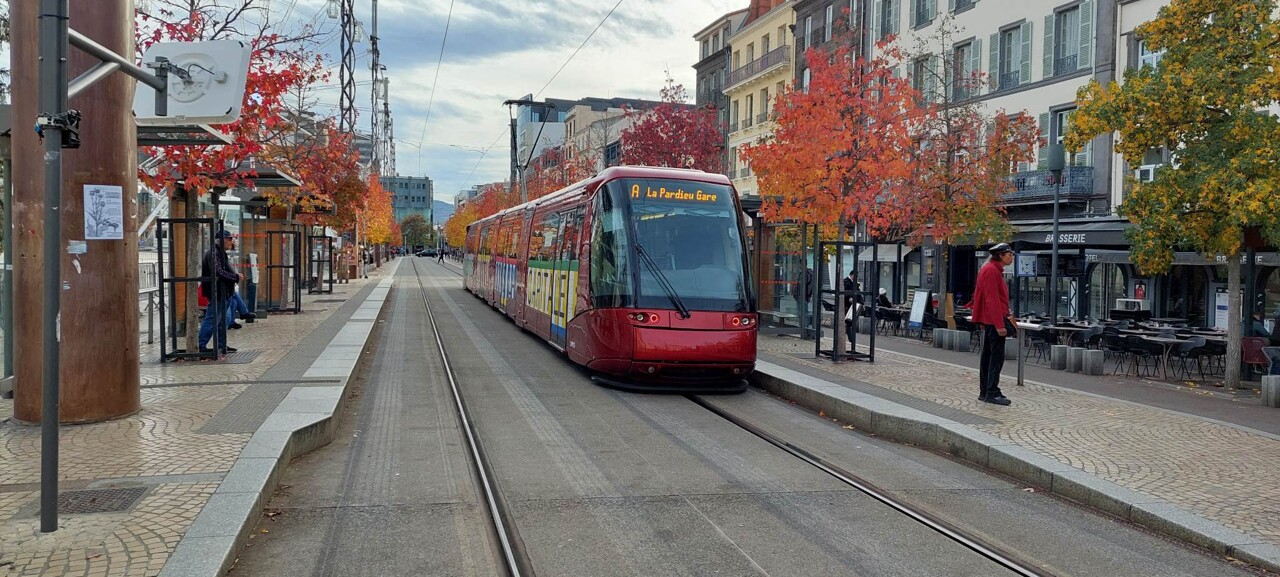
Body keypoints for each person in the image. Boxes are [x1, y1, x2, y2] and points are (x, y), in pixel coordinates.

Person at [972, 243, 1016, 406]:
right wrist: (999, 324)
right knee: (995, 358)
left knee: (988, 356)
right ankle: (991, 391)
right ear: (1001, 255)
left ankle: (986, 390)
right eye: (1010, 253)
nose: (1012, 256)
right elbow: (992, 300)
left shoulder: (990, 269)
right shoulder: (991, 271)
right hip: (993, 321)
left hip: (989, 320)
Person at [198, 230, 243, 356]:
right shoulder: (214, 253)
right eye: (229, 239)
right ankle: (201, 346)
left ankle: (221, 345)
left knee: (223, 319)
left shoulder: (219, 252)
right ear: (221, 240)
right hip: (217, 291)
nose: (231, 241)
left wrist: (234, 277)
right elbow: (218, 272)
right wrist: (235, 277)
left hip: (224, 291)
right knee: (212, 318)